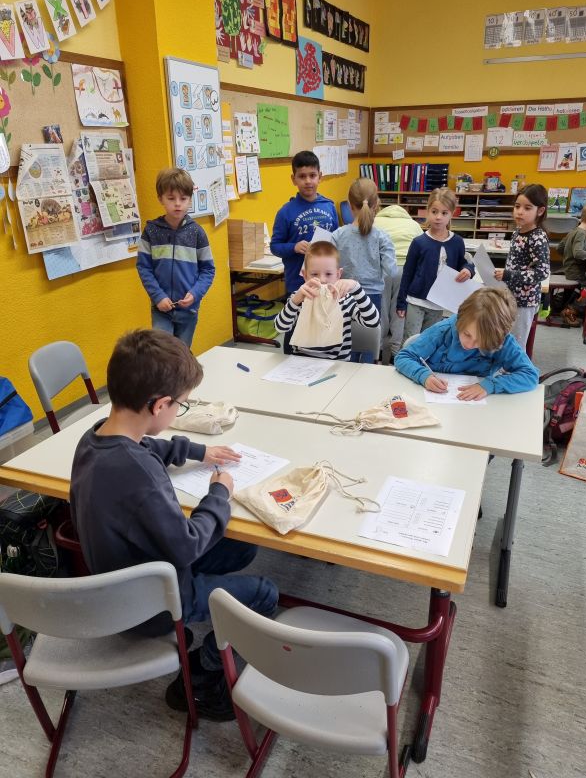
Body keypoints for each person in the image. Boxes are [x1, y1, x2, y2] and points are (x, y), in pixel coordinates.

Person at [70, 329, 278, 721]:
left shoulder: (95, 436)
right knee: (265, 593)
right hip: (150, 602)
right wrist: (218, 494)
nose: (179, 411)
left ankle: (209, 626)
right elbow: (187, 545)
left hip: (124, 571)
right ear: (160, 405)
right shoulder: (138, 476)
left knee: (242, 547)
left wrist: (199, 451)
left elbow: (149, 445)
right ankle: (204, 676)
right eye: (180, 405)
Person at [394, 287, 538, 400]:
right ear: (459, 321)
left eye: (481, 341)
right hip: (432, 397)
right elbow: (403, 357)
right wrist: (424, 376)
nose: (469, 345)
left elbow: (530, 375)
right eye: (467, 334)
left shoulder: (502, 340)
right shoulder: (443, 330)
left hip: (475, 406)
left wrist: (490, 385)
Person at [136, 168, 215, 349]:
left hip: (188, 309)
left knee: (181, 353)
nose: (178, 204)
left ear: (190, 199)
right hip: (161, 308)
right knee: (163, 353)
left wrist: (195, 294)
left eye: (183, 198)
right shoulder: (151, 231)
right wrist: (158, 296)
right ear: (160, 199)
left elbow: (208, 270)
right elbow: (144, 268)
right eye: (171, 199)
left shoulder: (197, 232)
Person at [270, 151, 338, 353]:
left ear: (320, 176)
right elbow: (275, 246)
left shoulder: (329, 206)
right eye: (302, 176)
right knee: (295, 331)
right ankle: (290, 362)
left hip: (326, 282)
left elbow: (336, 241)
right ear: (293, 179)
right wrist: (293, 247)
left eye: (312, 175)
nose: (308, 181)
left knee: (323, 329)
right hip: (298, 283)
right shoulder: (285, 212)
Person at [274, 241, 379, 361]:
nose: (322, 280)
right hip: (302, 362)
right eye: (314, 274)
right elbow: (280, 327)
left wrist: (357, 289)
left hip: (337, 363)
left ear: (338, 274)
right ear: (305, 275)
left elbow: (373, 322)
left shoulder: (345, 299)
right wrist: (294, 301)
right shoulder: (300, 298)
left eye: (329, 274)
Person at [396, 188, 473, 345]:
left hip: (438, 303)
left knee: (430, 342)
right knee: (411, 341)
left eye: (444, 213)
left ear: (452, 214)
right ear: (427, 211)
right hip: (416, 301)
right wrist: (401, 302)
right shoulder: (418, 242)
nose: (438, 217)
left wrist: (468, 270)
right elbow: (407, 273)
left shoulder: (457, 242)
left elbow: (464, 263)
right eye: (434, 211)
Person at [331, 178, 396, 362]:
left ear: (349, 205)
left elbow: (328, 267)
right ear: (376, 205)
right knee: (369, 344)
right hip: (372, 297)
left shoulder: (338, 234)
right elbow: (392, 271)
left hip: (343, 295)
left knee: (346, 341)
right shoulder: (382, 237)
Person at [494, 184, 550, 348]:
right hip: (509, 296)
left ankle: (515, 365)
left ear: (540, 211)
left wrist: (509, 275)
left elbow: (542, 272)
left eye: (527, 208)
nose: (519, 212)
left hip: (525, 302)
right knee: (503, 339)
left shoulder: (537, 237)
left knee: (516, 345)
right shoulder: (517, 232)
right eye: (517, 206)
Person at [374, 203, 423, 364]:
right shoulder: (414, 225)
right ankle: (396, 353)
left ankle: (378, 351)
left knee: (380, 311)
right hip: (405, 269)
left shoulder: (375, 221)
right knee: (400, 311)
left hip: (382, 268)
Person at [556, 201, 586, 322]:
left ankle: (580, 308)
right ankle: (573, 310)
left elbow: (560, 248)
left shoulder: (574, 230)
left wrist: (568, 257)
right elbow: (578, 253)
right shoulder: (581, 234)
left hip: (569, 269)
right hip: (576, 272)